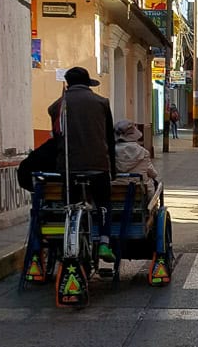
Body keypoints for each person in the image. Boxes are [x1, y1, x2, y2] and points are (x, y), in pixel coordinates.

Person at [48, 66, 117, 263]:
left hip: (69, 167)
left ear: (68, 84)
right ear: (88, 84)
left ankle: (67, 236)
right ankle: (104, 242)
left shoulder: (58, 105)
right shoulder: (101, 103)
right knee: (104, 202)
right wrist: (112, 170)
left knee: (69, 202)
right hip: (98, 165)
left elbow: (56, 138)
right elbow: (109, 139)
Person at [114, 120, 160, 198]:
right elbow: (152, 173)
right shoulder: (143, 152)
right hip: (141, 192)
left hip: (115, 192)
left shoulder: (111, 152)